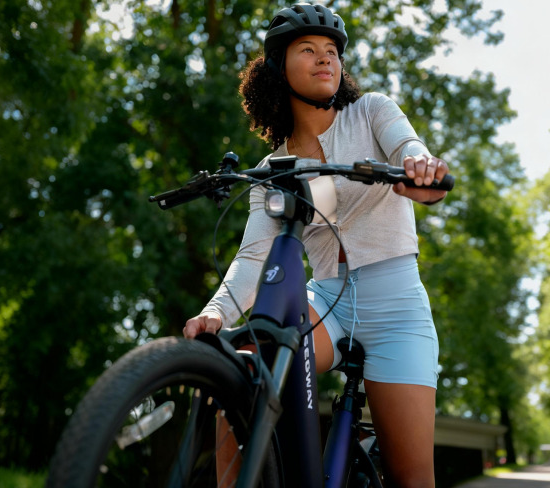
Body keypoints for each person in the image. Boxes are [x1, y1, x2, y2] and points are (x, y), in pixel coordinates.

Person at [184, 4, 449, 487]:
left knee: (412, 479)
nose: (325, 58)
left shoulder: (372, 111)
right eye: (307, 49)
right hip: (325, 301)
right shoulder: (274, 169)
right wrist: (217, 311)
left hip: (397, 308)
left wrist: (422, 170)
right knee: (240, 369)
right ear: (276, 68)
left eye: (332, 51)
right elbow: (254, 256)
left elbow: (409, 148)